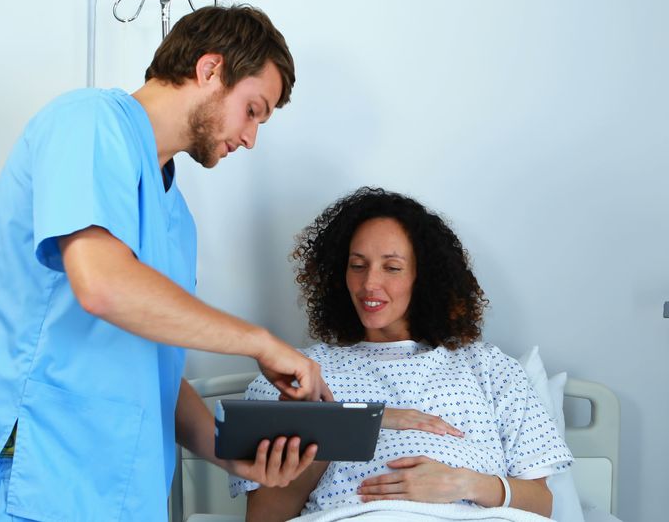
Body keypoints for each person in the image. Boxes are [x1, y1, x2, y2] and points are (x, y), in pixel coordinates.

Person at [0, 5, 331, 521]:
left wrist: (229, 452)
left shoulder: (176, 218)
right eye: (253, 109)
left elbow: (153, 370)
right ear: (211, 70)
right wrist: (259, 342)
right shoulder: (89, 122)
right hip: (35, 470)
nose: (251, 137)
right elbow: (101, 285)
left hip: (114, 489)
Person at [231, 187, 573, 521]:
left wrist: (463, 483)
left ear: (422, 277)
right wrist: (340, 425)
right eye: (357, 265)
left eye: (391, 268)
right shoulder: (296, 373)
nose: (369, 284)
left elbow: (541, 503)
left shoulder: (489, 367)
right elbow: (265, 517)